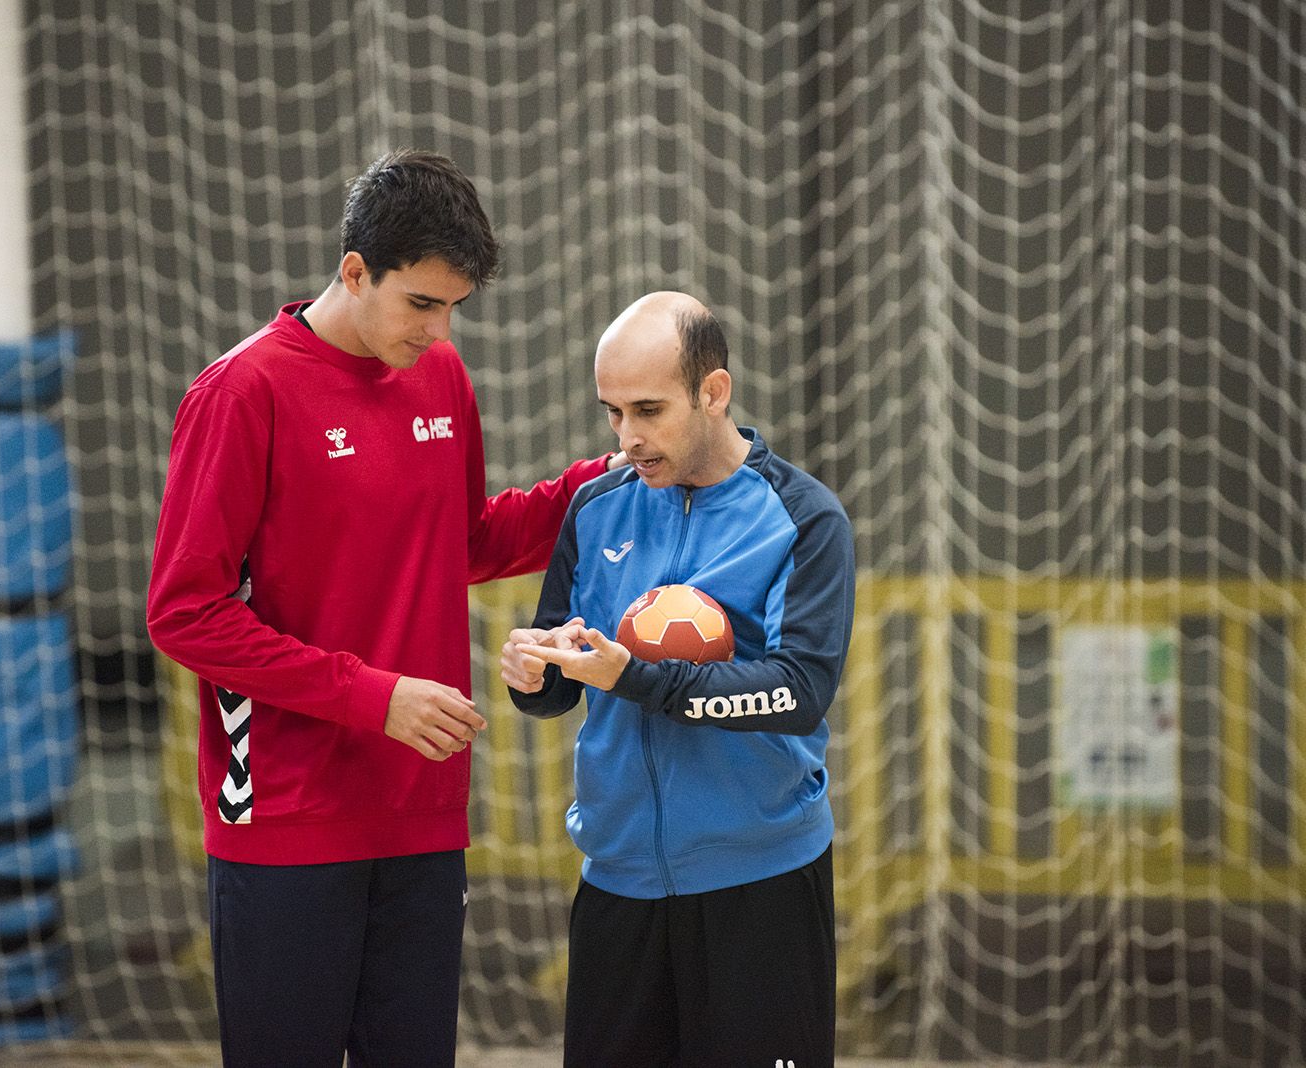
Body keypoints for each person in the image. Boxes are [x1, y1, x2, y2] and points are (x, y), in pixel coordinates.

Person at [146, 149, 623, 1068]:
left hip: (422, 807)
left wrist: (604, 479)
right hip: (287, 815)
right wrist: (375, 697)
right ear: (354, 271)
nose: (441, 332)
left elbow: (465, 541)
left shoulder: (439, 379)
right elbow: (186, 613)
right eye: (422, 304)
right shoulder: (244, 392)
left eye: (454, 309)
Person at [501, 292, 855, 1068]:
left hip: (759, 884)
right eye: (612, 413)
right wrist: (532, 674)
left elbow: (798, 693)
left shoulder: (803, 519)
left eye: (649, 410)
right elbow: (563, 679)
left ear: (713, 392)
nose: (628, 438)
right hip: (618, 881)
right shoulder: (596, 508)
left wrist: (640, 678)